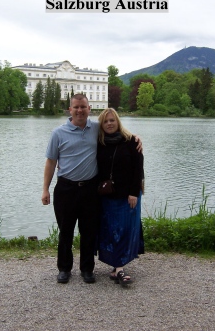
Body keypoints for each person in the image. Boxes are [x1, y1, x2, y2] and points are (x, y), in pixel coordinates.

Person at [42, 94, 141, 284]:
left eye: (83, 107)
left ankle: (87, 269)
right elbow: (51, 162)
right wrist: (45, 189)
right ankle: (64, 269)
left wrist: (136, 138)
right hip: (66, 189)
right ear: (70, 109)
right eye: (76, 107)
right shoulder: (58, 133)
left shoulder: (96, 128)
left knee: (89, 231)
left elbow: (118, 131)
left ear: (89, 109)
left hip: (90, 189)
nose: (80, 110)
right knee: (65, 231)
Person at [96, 108, 144, 287]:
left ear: (118, 122)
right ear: (101, 124)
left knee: (124, 230)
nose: (109, 123)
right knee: (110, 231)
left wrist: (134, 192)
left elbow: (138, 168)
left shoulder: (131, 141)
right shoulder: (99, 142)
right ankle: (117, 266)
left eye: (112, 120)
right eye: (105, 121)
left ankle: (119, 267)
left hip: (127, 195)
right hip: (107, 196)